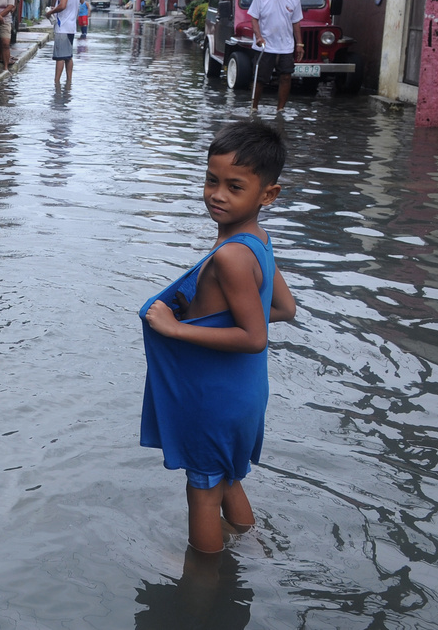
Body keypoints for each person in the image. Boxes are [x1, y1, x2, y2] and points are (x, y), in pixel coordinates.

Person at [139, 121, 297, 554]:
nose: (217, 195)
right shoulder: (257, 241)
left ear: (268, 194)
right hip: (244, 393)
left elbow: (253, 337)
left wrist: (177, 327)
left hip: (214, 398)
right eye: (212, 181)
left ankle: (203, 578)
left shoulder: (230, 257)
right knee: (225, 477)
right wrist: (213, 317)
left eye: (234, 186)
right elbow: (285, 308)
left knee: (202, 493)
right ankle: (254, 546)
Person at [247, 0, 304, 114]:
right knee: (260, 78)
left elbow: (296, 21)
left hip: (286, 45)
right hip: (265, 45)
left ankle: (280, 109)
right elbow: (254, 18)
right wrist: (258, 36)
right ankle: (254, 107)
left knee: (286, 76)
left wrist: (299, 43)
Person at [45, 0, 80, 88]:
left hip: (63, 27)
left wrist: (50, 12)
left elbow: (63, 5)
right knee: (68, 56)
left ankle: (57, 83)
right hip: (71, 27)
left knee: (60, 56)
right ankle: (69, 82)